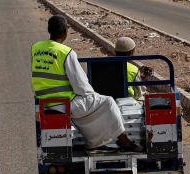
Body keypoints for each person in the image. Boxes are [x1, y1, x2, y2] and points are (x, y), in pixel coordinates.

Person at [32, 15, 141, 155]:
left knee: (92, 108)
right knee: (107, 102)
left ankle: (95, 144)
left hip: (44, 102)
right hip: (66, 102)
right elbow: (81, 86)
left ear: (48, 30)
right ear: (66, 31)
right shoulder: (66, 52)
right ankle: (124, 143)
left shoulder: (35, 48)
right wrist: (93, 95)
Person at [114, 36, 144, 100]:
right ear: (131, 53)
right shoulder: (133, 69)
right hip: (126, 101)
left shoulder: (101, 65)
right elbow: (138, 94)